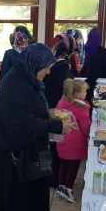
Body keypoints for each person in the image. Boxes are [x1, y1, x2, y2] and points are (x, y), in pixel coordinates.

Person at [0, 43, 72, 211]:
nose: (48, 72)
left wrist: (48, 114)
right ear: (33, 63)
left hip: (33, 151)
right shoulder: (14, 85)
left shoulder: (27, 80)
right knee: (18, 204)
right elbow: (18, 125)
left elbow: (31, 111)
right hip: (16, 157)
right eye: (45, 67)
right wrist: (54, 125)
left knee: (35, 199)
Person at [43, 33, 76, 184]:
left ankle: (51, 175)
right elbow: (65, 92)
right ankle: (55, 177)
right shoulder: (64, 69)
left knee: (51, 144)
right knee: (57, 145)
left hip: (50, 106)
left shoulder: (53, 65)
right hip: (58, 110)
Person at [55, 79, 91, 203]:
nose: (86, 93)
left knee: (64, 163)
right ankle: (68, 188)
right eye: (85, 91)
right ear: (78, 94)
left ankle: (61, 185)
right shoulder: (82, 108)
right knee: (74, 166)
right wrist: (90, 135)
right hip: (76, 142)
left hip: (63, 138)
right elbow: (85, 127)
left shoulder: (62, 102)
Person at [81, 27, 106, 102]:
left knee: (85, 104)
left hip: (84, 85)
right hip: (100, 86)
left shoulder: (84, 50)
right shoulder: (104, 52)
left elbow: (82, 69)